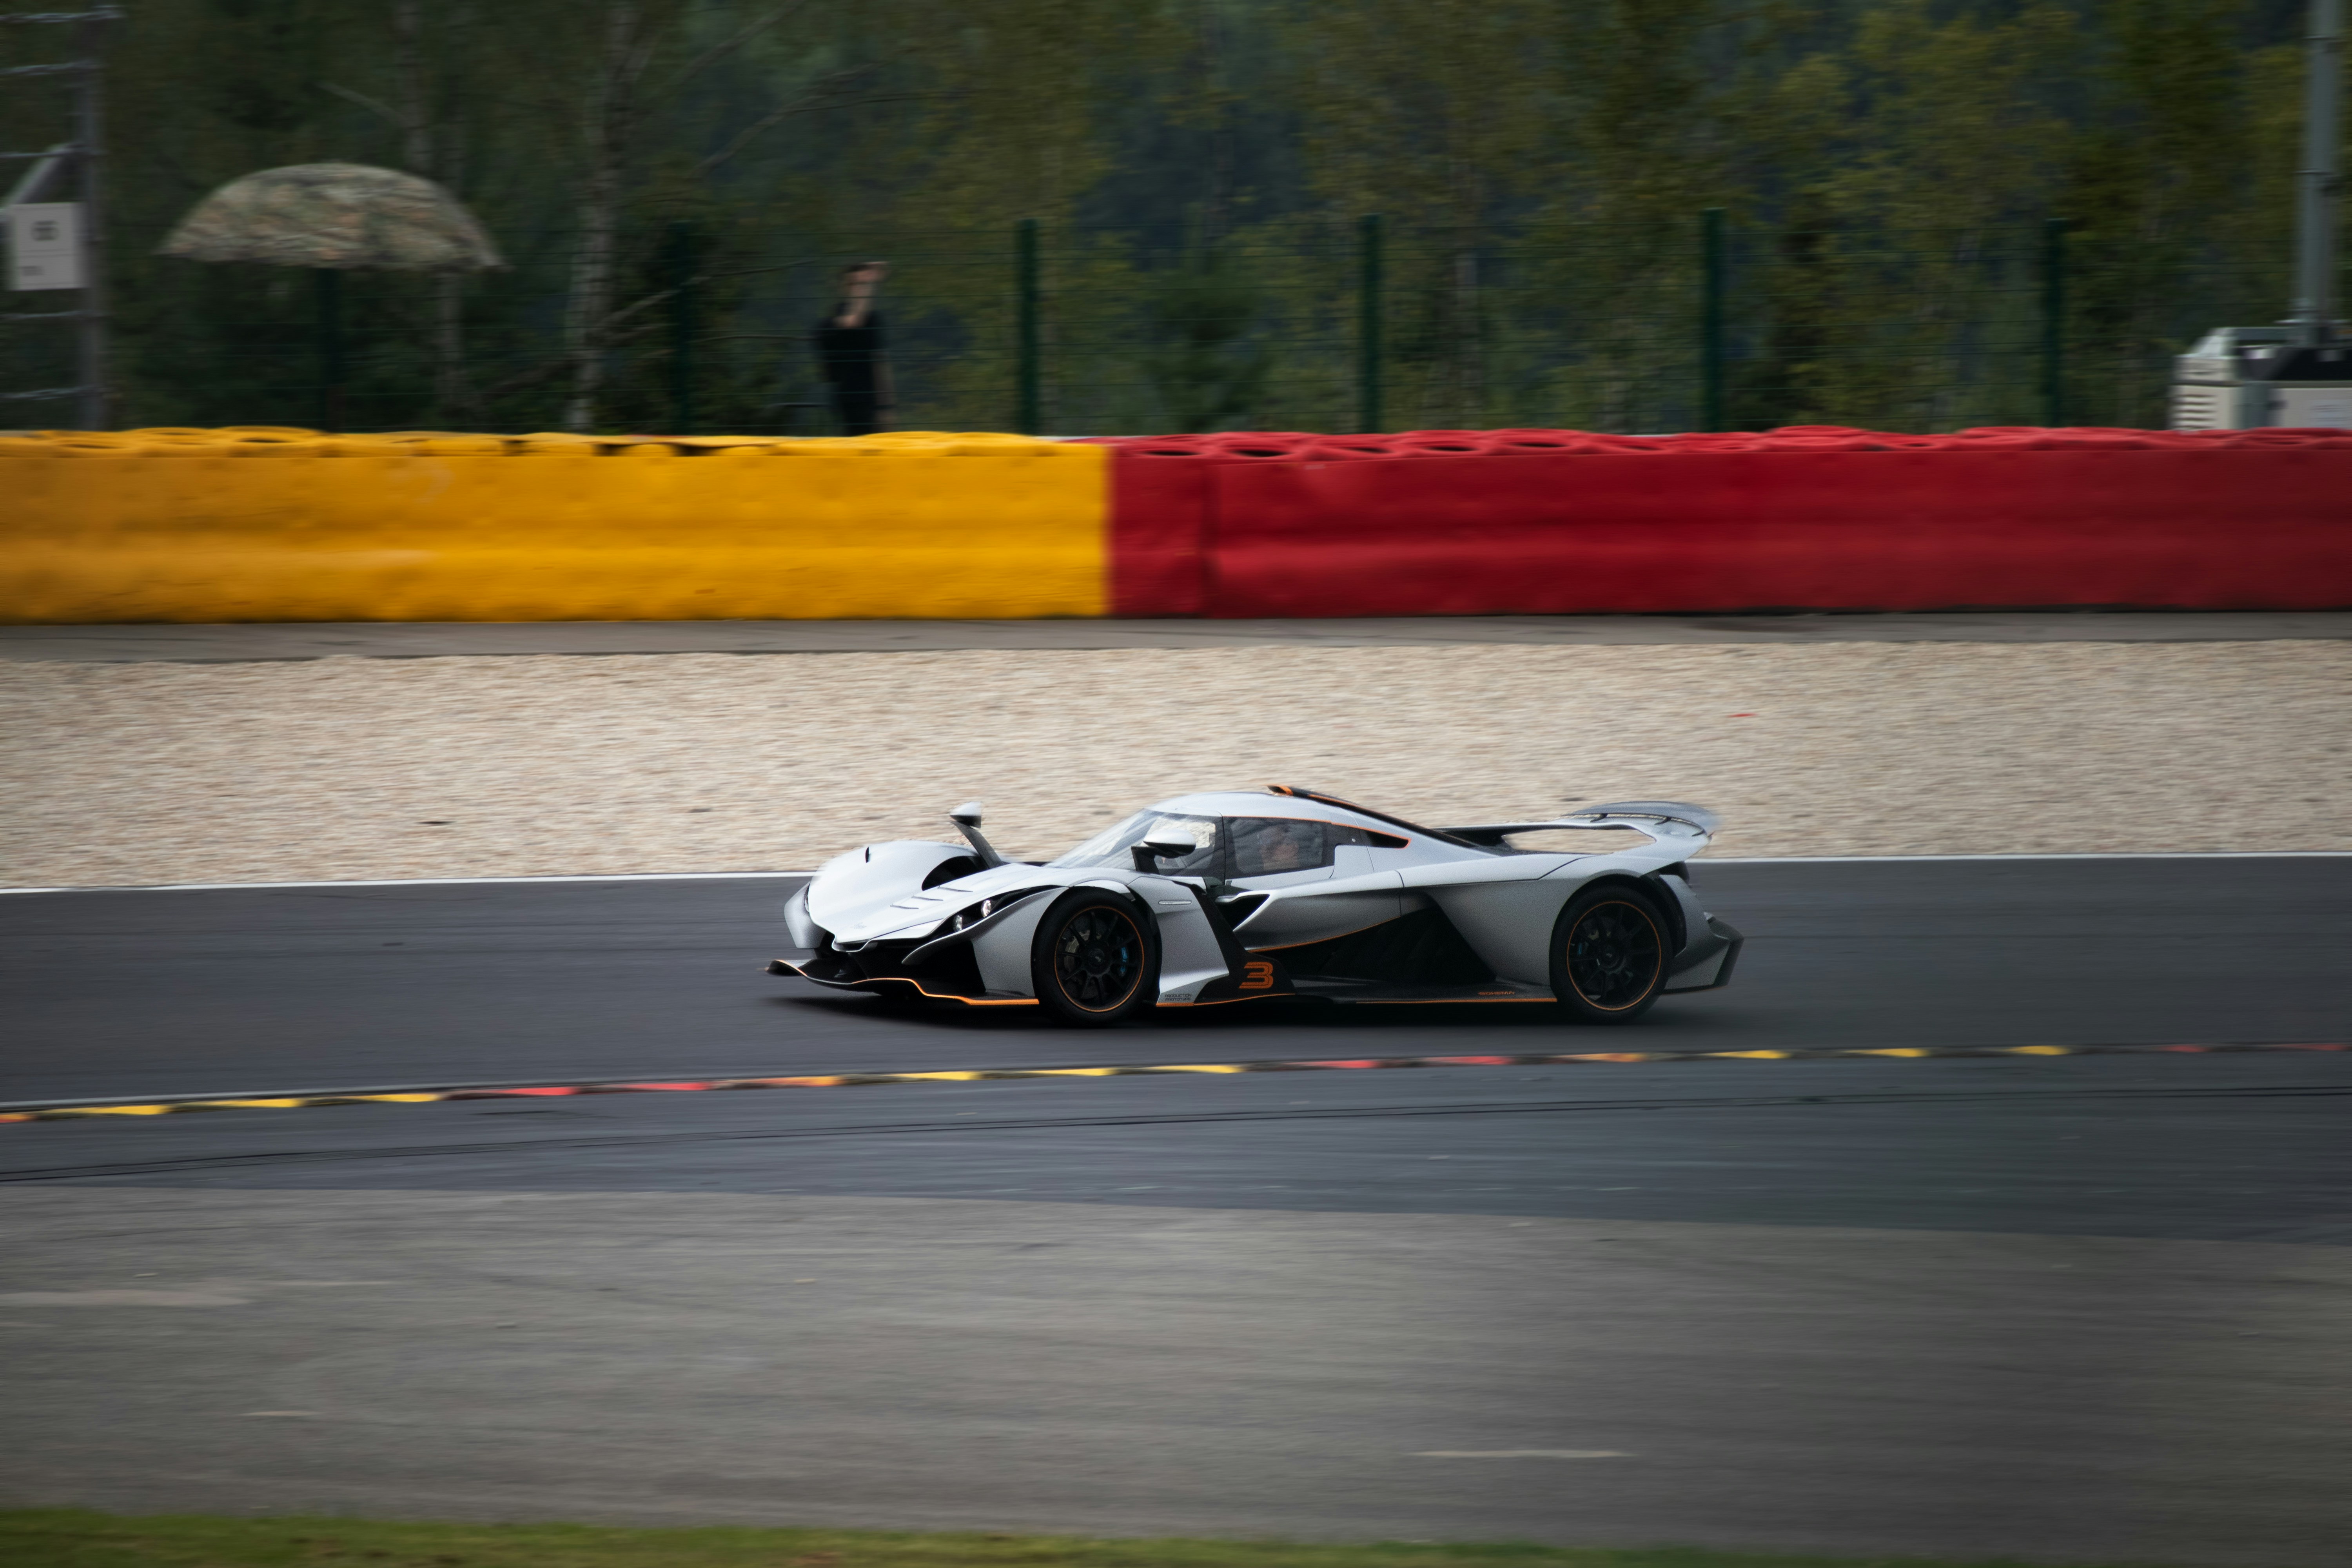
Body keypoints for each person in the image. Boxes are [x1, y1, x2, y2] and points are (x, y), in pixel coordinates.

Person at [813, 260, 893, 436]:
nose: (859, 290)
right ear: (844, 287)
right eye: (855, 284)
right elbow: (853, 322)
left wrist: (886, 407)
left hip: (871, 403)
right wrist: (871, 282)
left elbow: (880, 363)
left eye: (862, 285)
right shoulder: (830, 323)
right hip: (847, 402)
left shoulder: (873, 320)